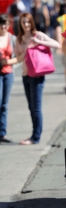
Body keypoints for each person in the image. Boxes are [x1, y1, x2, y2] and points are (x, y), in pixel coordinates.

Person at [15, 13, 60, 145]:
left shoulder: (37, 35)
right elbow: (18, 56)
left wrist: (39, 42)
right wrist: (24, 51)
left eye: (28, 22)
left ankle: (35, 137)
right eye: (24, 22)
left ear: (32, 23)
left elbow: (56, 44)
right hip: (25, 76)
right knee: (31, 106)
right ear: (21, 24)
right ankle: (34, 134)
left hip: (38, 76)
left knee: (36, 108)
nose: (26, 25)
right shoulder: (20, 39)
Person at [0, 14, 24, 143]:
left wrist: (8, 62)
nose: (3, 27)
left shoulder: (12, 38)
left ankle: (2, 133)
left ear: (8, 25)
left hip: (8, 73)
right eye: (1, 24)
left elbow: (20, 57)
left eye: (5, 24)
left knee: (4, 105)